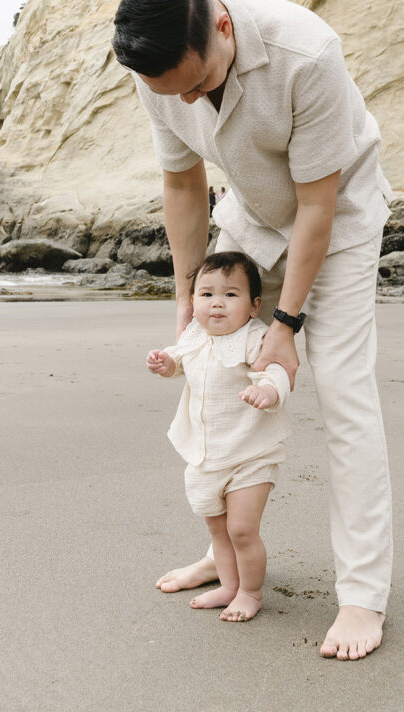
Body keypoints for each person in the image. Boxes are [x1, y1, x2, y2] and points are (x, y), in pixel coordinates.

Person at [113, 0, 393, 661]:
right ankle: (227, 552)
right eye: (168, 94)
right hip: (247, 220)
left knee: (340, 390)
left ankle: (362, 594)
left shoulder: (305, 54)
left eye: (198, 85)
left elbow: (316, 204)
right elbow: (183, 185)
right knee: (215, 372)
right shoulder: (161, 71)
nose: (185, 101)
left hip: (338, 221)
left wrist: (288, 325)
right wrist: (186, 298)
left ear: (222, 26)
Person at [146, 250, 290, 622]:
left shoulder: (254, 338)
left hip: (250, 453)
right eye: (206, 294)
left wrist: (269, 391)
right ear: (193, 301)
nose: (217, 304)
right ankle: (227, 585)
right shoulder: (195, 334)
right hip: (205, 456)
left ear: (254, 305)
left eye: (230, 295)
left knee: (241, 530)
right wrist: (166, 364)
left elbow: (275, 370)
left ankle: (250, 592)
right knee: (219, 531)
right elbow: (180, 359)